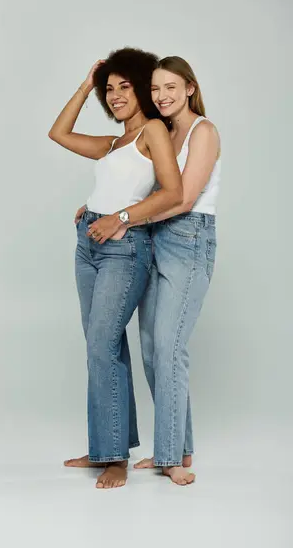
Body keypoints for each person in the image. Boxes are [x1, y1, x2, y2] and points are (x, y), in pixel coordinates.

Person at [72, 56, 221, 486]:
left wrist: (119, 216)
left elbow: (182, 199)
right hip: (154, 237)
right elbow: (150, 187)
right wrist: (103, 207)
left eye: (171, 87)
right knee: (154, 347)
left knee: (169, 348)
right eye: (156, 89)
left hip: (188, 238)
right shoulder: (164, 132)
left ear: (190, 88)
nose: (163, 96)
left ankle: (170, 458)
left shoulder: (202, 131)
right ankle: (183, 448)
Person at [49, 48, 183, 489]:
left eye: (125, 86)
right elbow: (58, 132)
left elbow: (172, 192)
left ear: (144, 87)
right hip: (88, 242)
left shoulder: (152, 132)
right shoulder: (112, 144)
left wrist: (119, 217)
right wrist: (89, 83)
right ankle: (108, 443)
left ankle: (114, 459)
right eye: (110, 89)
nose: (115, 95)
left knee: (101, 346)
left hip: (124, 249)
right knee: (102, 345)